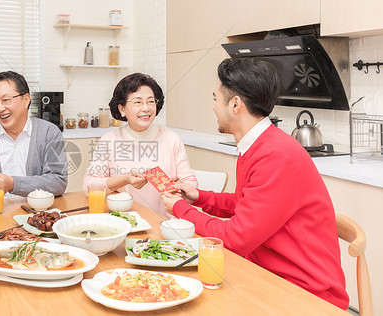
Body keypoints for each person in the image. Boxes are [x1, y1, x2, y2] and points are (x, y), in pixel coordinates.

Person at [161, 58, 349, 309]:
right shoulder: (258, 144)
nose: (213, 107)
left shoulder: (275, 155)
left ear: (235, 104)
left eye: (215, 99)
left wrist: (180, 210)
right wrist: (199, 197)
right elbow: (248, 203)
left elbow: (236, 239)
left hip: (305, 292)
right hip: (268, 274)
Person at [84, 73, 197, 217]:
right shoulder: (109, 140)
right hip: (124, 224)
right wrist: (124, 180)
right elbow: (89, 187)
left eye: (151, 101)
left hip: (163, 225)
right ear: (122, 109)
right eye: (138, 102)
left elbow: (191, 185)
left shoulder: (171, 139)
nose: (146, 108)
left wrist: (179, 187)